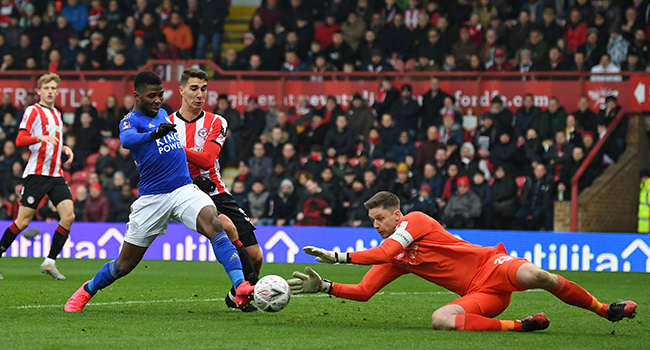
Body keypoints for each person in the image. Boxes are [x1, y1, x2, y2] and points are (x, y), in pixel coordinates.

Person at [288, 191, 637, 331]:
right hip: (483, 295)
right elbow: (365, 291)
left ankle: (605, 309)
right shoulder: (400, 258)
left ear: (397, 214)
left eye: (380, 219)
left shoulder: (417, 221)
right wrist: (327, 287)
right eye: (372, 222)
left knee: (539, 275)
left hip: (494, 265)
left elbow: (380, 253)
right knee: (441, 319)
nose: (376, 226)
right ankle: (522, 325)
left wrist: (338, 257)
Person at [64, 71, 255, 312]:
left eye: (160, 95)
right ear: (137, 96)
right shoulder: (131, 120)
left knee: (214, 223)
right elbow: (127, 140)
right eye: (151, 96)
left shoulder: (163, 113)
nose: (157, 100)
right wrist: (154, 134)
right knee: (124, 265)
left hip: (183, 188)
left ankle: (240, 286)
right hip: (153, 198)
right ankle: (87, 290)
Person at [168, 68, 262, 312]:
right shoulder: (167, 123)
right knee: (227, 227)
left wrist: (174, 147)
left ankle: (234, 296)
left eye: (203, 89)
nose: (199, 94)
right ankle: (247, 294)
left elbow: (208, 159)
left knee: (256, 256)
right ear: (181, 90)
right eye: (194, 88)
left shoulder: (217, 121)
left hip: (217, 190)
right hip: (186, 193)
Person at [0, 73, 75, 280]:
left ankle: (50, 262)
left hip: (55, 174)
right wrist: (39, 138)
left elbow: (53, 141)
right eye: (47, 88)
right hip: (36, 175)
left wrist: (64, 147)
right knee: (23, 221)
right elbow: (20, 139)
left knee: (68, 216)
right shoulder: (33, 111)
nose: (50, 91)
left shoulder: (57, 114)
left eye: (54, 88)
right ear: (40, 91)